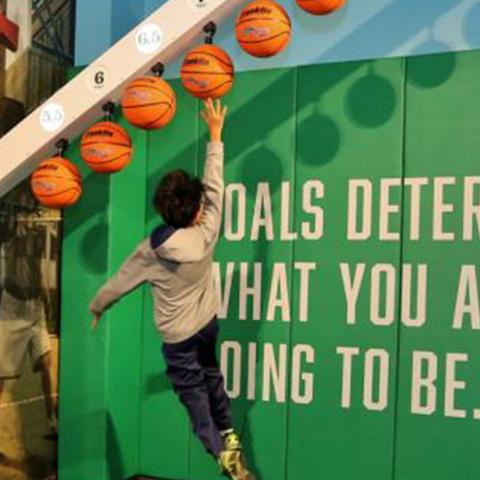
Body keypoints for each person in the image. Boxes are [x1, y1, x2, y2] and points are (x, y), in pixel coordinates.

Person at [90, 98, 256, 480]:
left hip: (178, 338)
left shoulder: (149, 251)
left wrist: (98, 307)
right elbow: (215, 186)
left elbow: (119, 284)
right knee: (212, 375)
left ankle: (220, 452)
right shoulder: (208, 231)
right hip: (207, 324)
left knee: (194, 398)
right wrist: (215, 135)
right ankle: (229, 432)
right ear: (196, 211)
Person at [0, 220, 58, 434]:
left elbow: (39, 268)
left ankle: (52, 420)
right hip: (12, 307)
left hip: (35, 306)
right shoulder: (8, 231)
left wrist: (46, 297)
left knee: (46, 362)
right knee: (2, 373)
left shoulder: (39, 235)